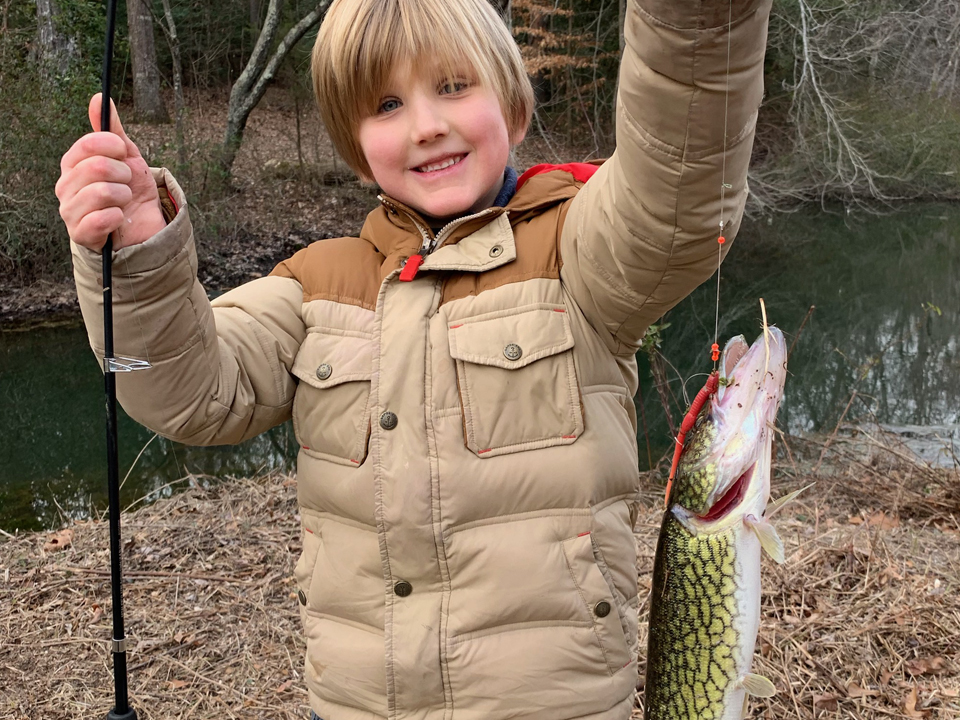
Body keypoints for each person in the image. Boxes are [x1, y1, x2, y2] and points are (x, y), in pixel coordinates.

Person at [56, 0, 771, 717]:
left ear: (515, 108)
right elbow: (188, 392)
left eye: (455, 86)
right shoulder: (312, 284)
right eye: (388, 104)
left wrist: (696, 22)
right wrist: (142, 258)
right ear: (355, 143)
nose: (426, 124)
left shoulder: (580, 253)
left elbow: (678, 190)